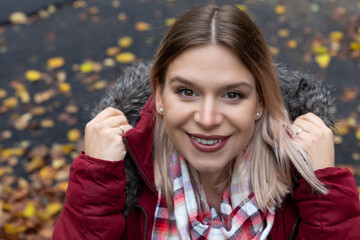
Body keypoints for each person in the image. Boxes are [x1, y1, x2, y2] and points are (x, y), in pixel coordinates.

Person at [53, 4, 360, 240]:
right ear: (159, 95)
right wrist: (95, 186)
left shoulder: (298, 175)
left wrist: (324, 189)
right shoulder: (117, 176)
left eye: (233, 95)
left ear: (260, 102)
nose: (208, 119)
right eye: (187, 92)